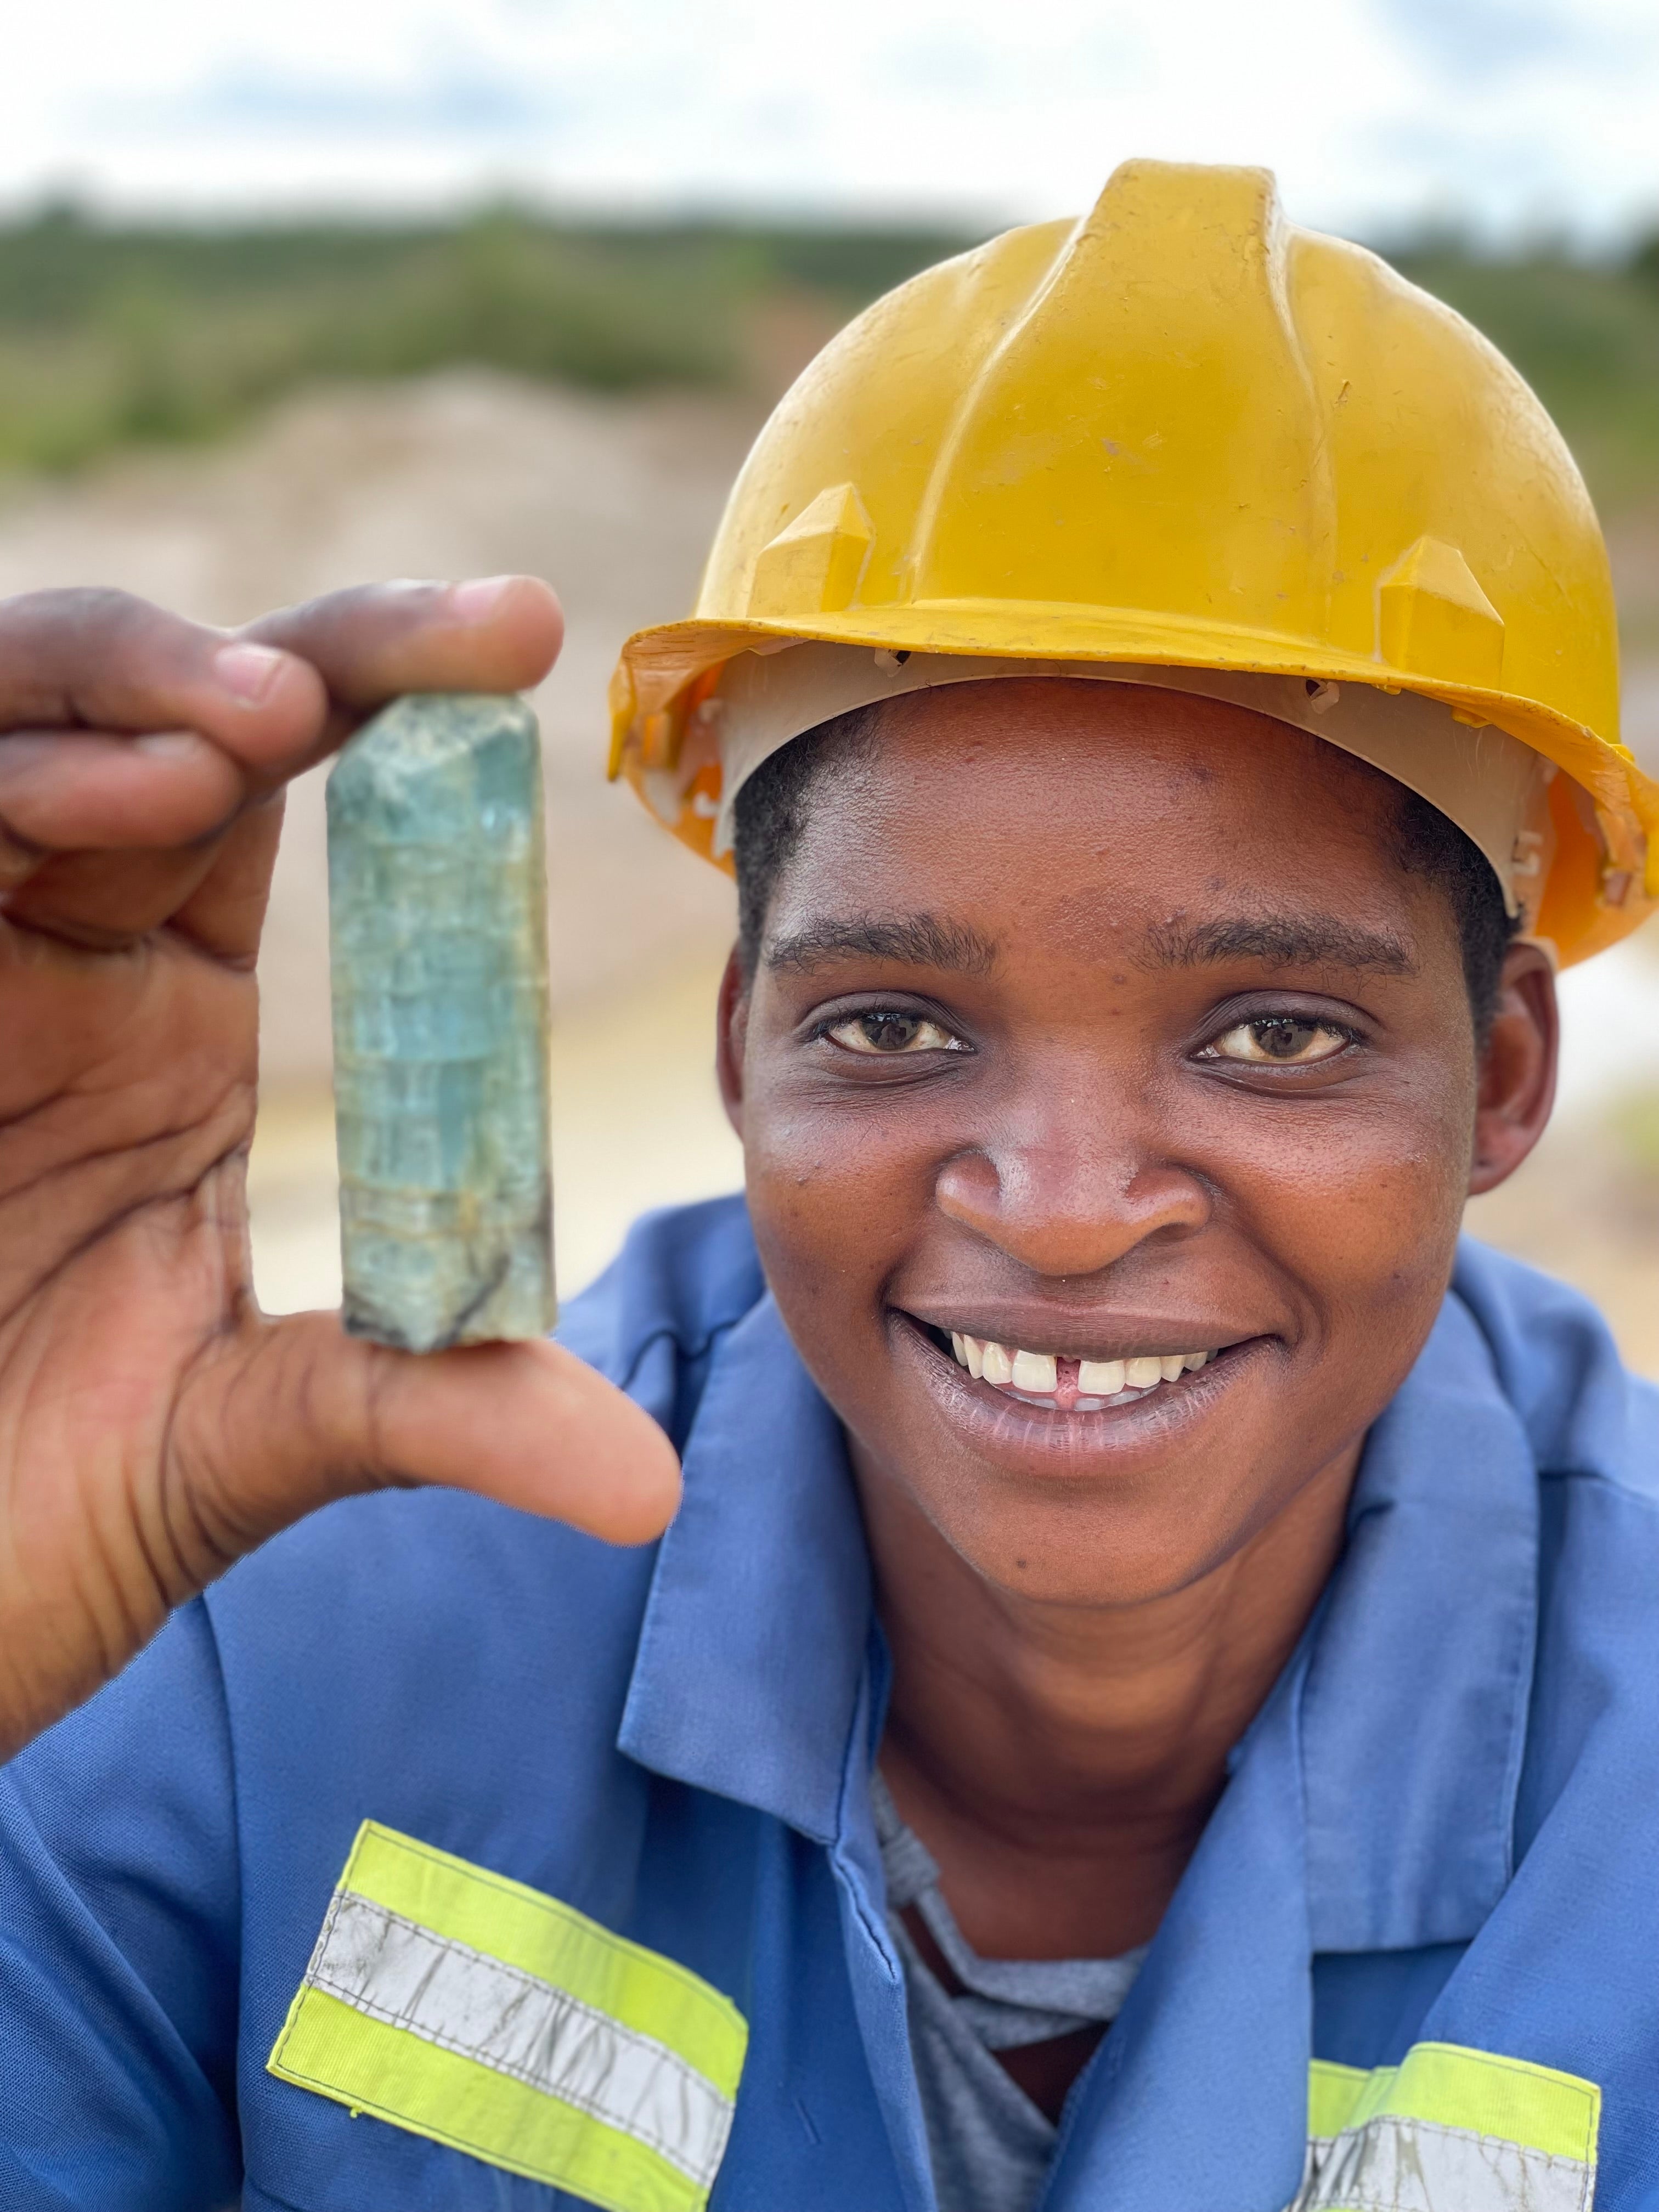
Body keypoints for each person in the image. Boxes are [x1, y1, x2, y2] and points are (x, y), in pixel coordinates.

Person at [1, 157, 1656, 2212]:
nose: (1056, 1208)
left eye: (1274, 1036)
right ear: (734, 1053)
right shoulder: (268, 1625)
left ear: (1499, 1078)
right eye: (891, 1026)